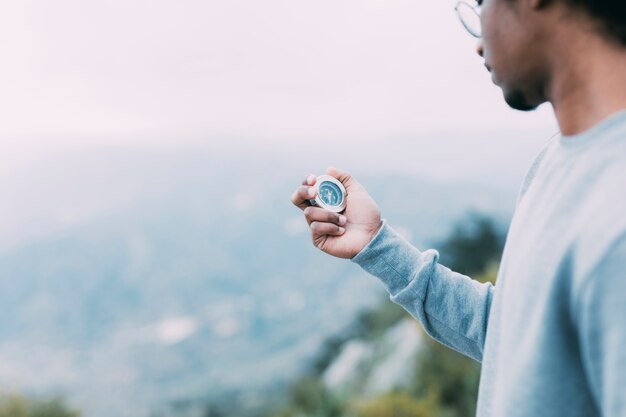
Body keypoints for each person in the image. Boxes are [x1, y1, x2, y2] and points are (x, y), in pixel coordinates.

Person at [290, 0, 626, 416]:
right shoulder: (557, 161)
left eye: (481, 3)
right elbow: (517, 344)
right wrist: (377, 247)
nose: (477, 43)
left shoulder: (616, 212)